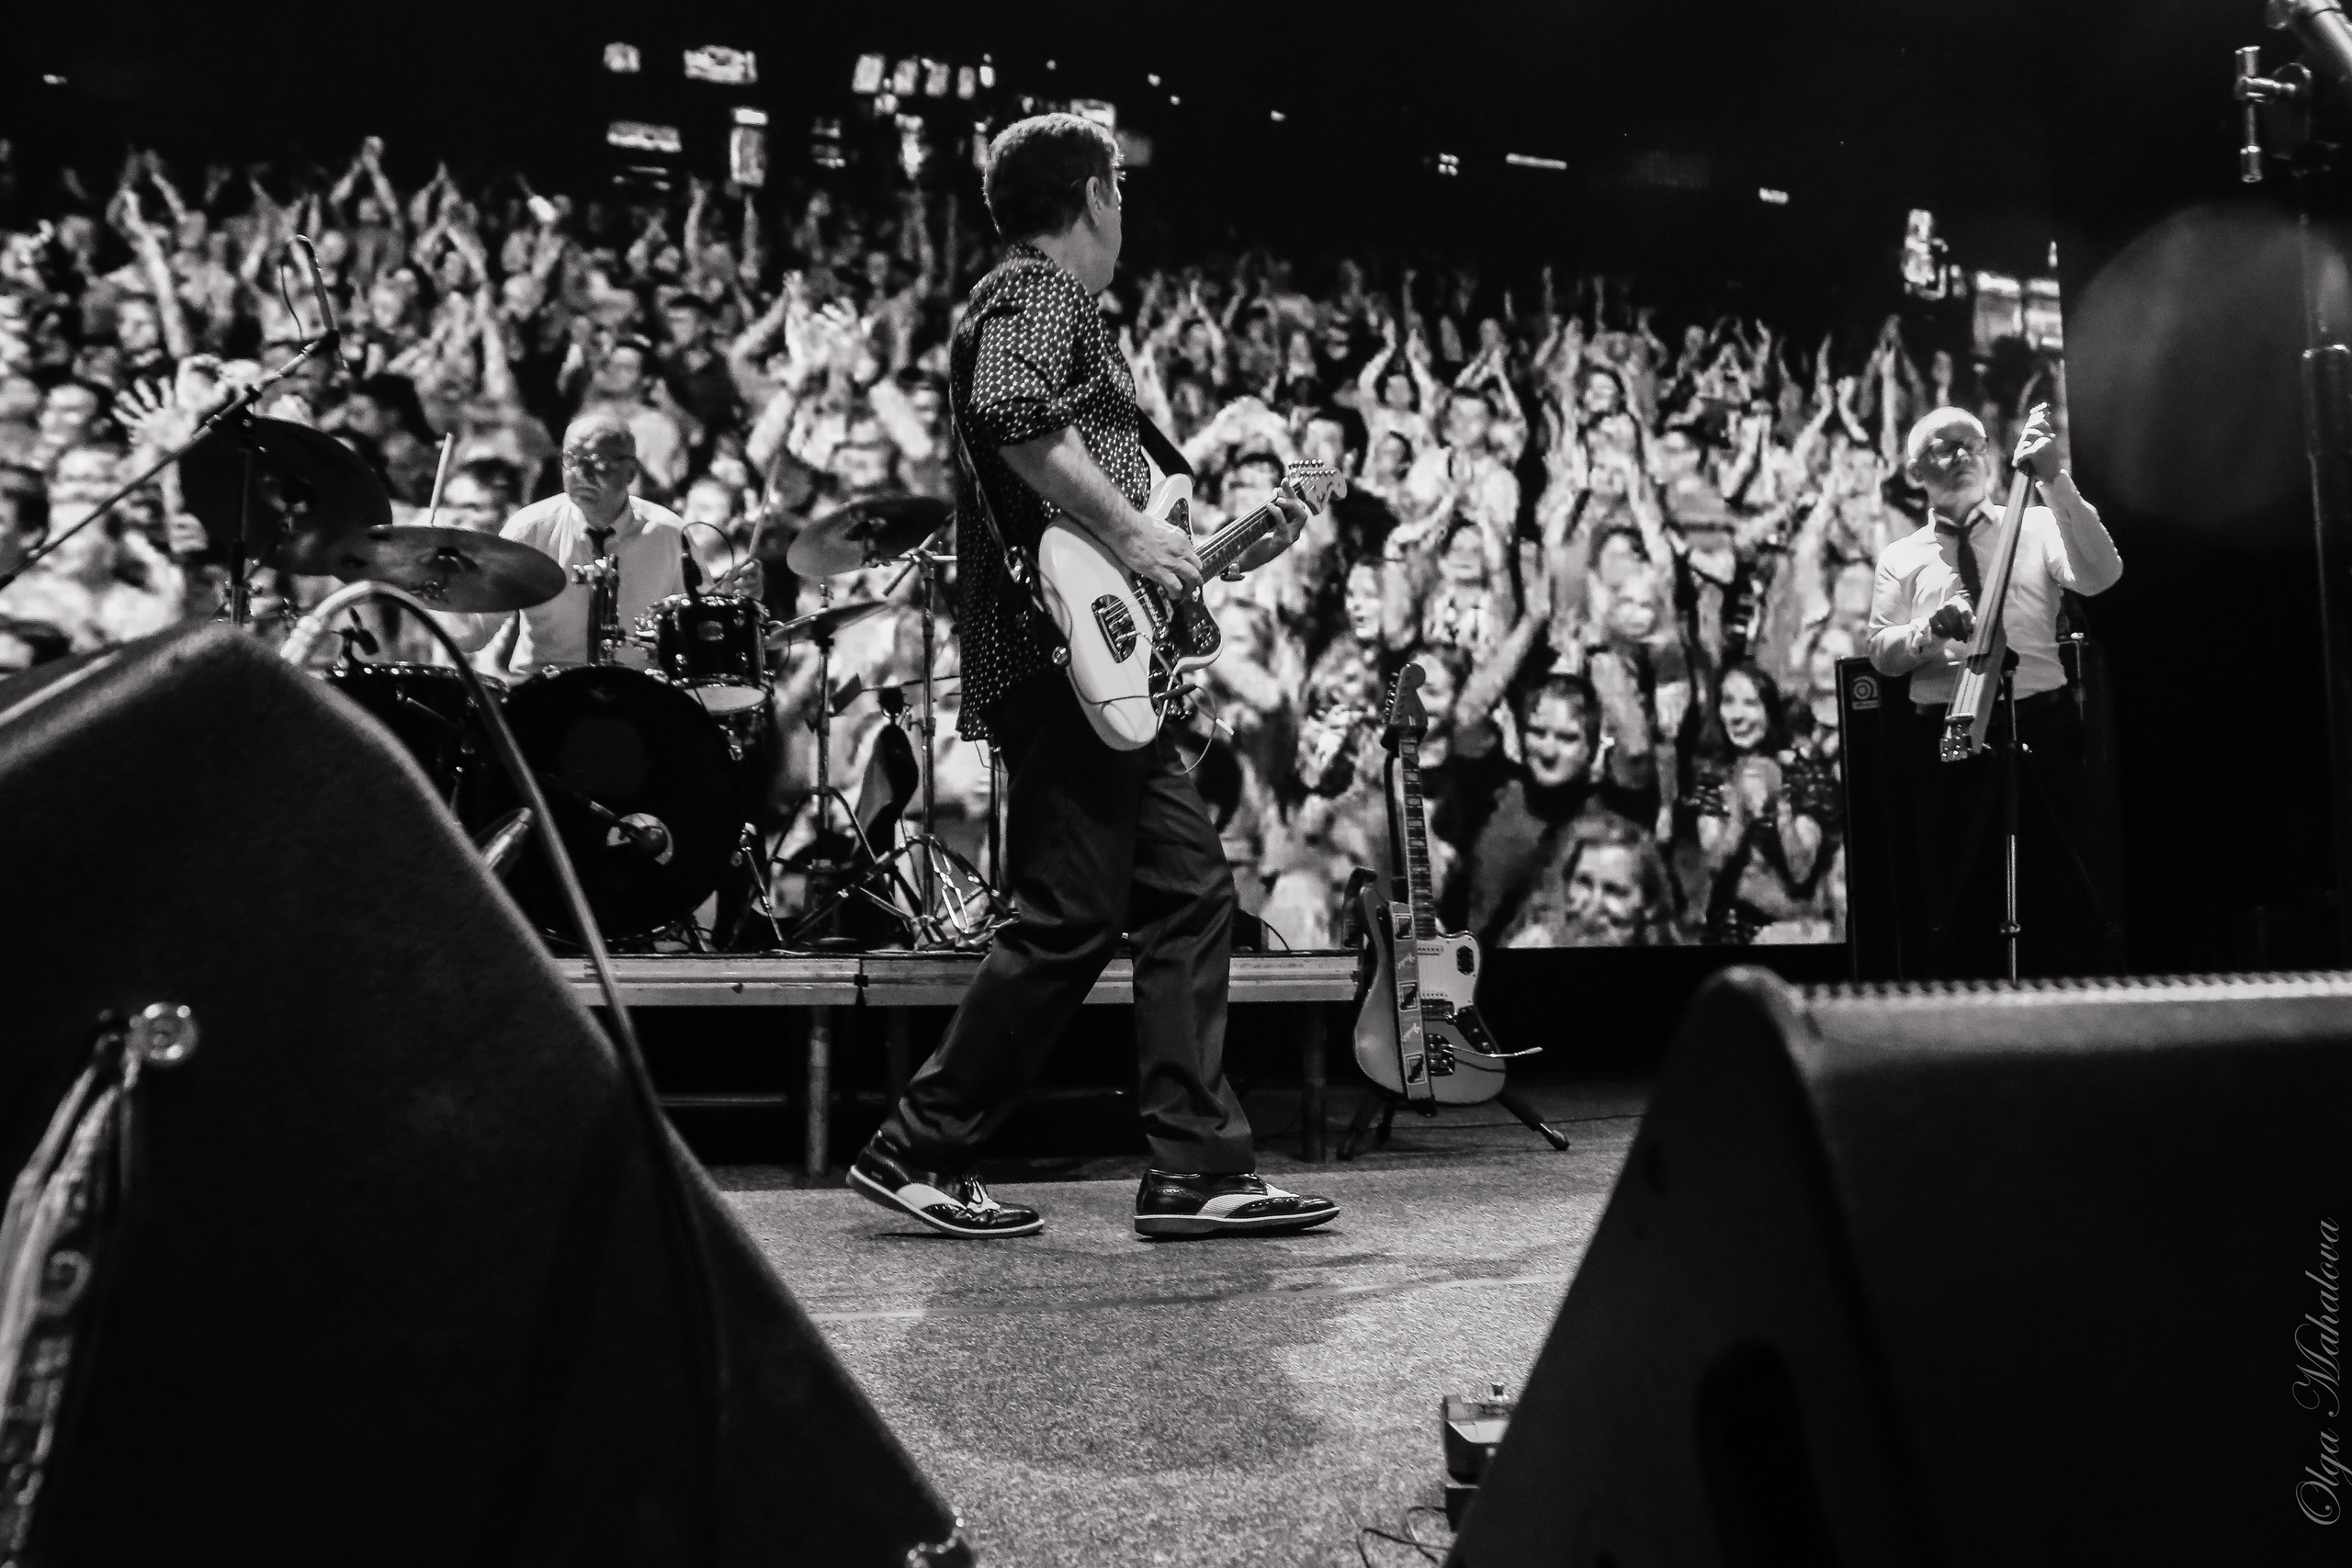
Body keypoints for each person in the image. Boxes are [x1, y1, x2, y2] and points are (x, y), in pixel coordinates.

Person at [848, 113, 1340, 1241]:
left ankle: (1194, 1169)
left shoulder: (1042, 305)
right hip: (1058, 661)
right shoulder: (1038, 291)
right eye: (1118, 184)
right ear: (1092, 194)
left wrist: (1191, 560)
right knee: (1068, 918)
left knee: (1186, 896)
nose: (1127, 206)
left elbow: (1104, 508)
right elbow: (1013, 415)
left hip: (1093, 660)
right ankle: (917, 1146)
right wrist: (1131, 533)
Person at [1865, 403, 2124, 976]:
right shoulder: (1901, 558)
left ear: (1990, 457)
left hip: (2043, 722)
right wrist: (1929, 630)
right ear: (1914, 471)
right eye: (1942, 447)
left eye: (1971, 445)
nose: (1960, 456)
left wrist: (2055, 479)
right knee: (1958, 892)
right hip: (1946, 735)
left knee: (2060, 882)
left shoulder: (2032, 525)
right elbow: (1882, 654)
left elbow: (2102, 575)